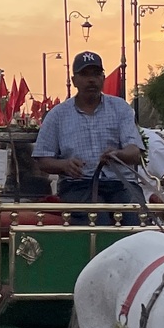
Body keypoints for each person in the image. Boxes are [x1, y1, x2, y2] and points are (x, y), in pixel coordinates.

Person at [32, 51, 143, 219]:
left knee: (135, 221)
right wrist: (64, 165)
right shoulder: (57, 115)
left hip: (121, 183)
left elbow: (134, 152)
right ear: (74, 81)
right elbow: (42, 160)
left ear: (103, 78)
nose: (91, 80)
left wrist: (118, 155)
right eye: (84, 74)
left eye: (96, 74)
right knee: (97, 221)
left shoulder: (121, 108)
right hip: (78, 185)